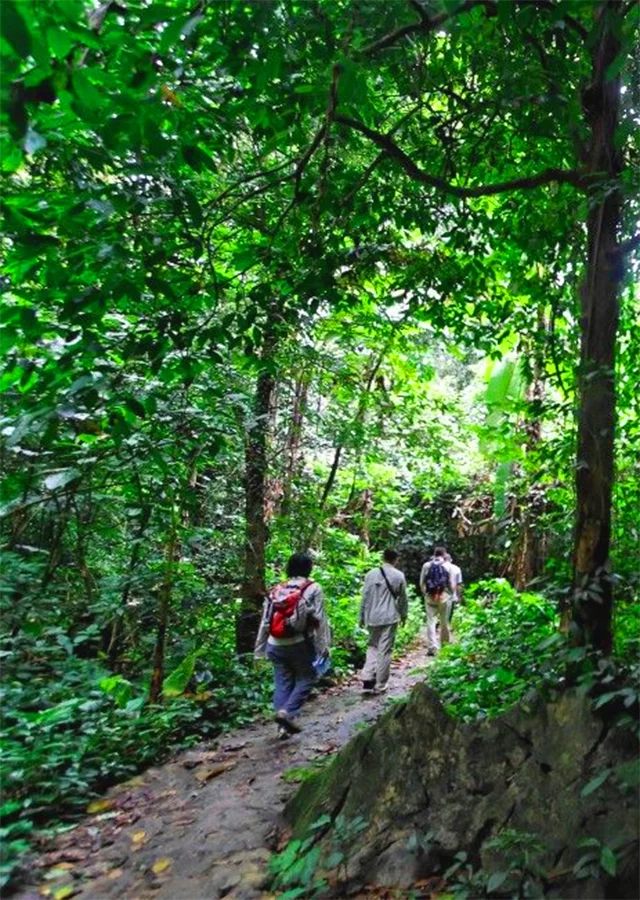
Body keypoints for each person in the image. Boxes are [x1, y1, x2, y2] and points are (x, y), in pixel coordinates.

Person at [254, 552, 330, 738]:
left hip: (274, 644)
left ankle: (282, 728)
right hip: (299, 643)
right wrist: (323, 647)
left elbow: (265, 621)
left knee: (282, 682)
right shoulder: (313, 588)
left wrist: (258, 651)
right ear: (309, 567)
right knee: (308, 677)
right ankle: (286, 712)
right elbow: (319, 620)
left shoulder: (277, 590)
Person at [359, 548, 408, 695]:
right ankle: (380, 684)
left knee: (372, 646)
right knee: (385, 650)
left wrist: (361, 616)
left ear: (383, 558)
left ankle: (367, 678)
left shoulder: (370, 574)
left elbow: (365, 596)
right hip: (389, 616)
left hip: (372, 616)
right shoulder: (399, 575)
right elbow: (402, 599)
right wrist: (404, 615)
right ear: (396, 559)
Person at [420, 546, 455, 656]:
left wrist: (426, 593)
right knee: (444, 622)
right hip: (444, 597)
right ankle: (444, 647)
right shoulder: (448, 566)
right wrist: (450, 594)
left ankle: (432, 647)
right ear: (444, 555)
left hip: (430, 597)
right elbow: (452, 584)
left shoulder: (426, 565)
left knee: (431, 622)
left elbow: (421, 582)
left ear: (434, 554)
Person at [445, 552, 463, 623]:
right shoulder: (456, 569)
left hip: (438, 594)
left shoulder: (438, 567)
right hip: (451, 595)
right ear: (451, 560)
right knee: (449, 614)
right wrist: (459, 597)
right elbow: (458, 585)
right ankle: (446, 627)